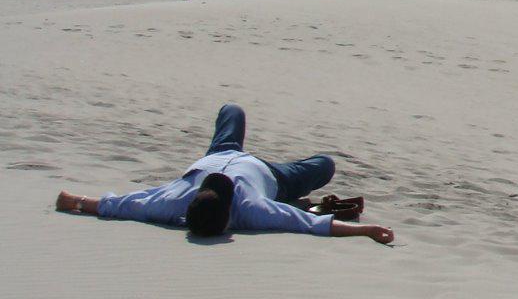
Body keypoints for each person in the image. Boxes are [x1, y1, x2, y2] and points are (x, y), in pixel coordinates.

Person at [55, 103, 394, 243]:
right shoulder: (252, 208)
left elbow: (122, 205)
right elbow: (307, 223)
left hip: (220, 155)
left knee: (232, 110)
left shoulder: (173, 201)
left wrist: (76, 201)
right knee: (325, 164)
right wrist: (365, 230)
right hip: (271, 175)